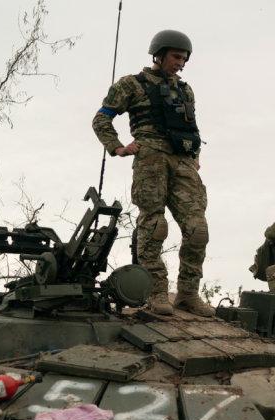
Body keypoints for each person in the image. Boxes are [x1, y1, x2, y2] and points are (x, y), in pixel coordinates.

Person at [92, 30, 214, 317]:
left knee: (198, 230)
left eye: (184, 58)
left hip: (183, 162)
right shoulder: (131, 84)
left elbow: (192, 128)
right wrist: (117, 147)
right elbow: (101, 118)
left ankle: (187, 294)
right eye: (176, 56)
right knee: (155, 225)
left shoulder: (185, 89)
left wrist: (194, 157)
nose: (180, 63)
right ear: (158, 54)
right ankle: (156, 292)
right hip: (151, 160)